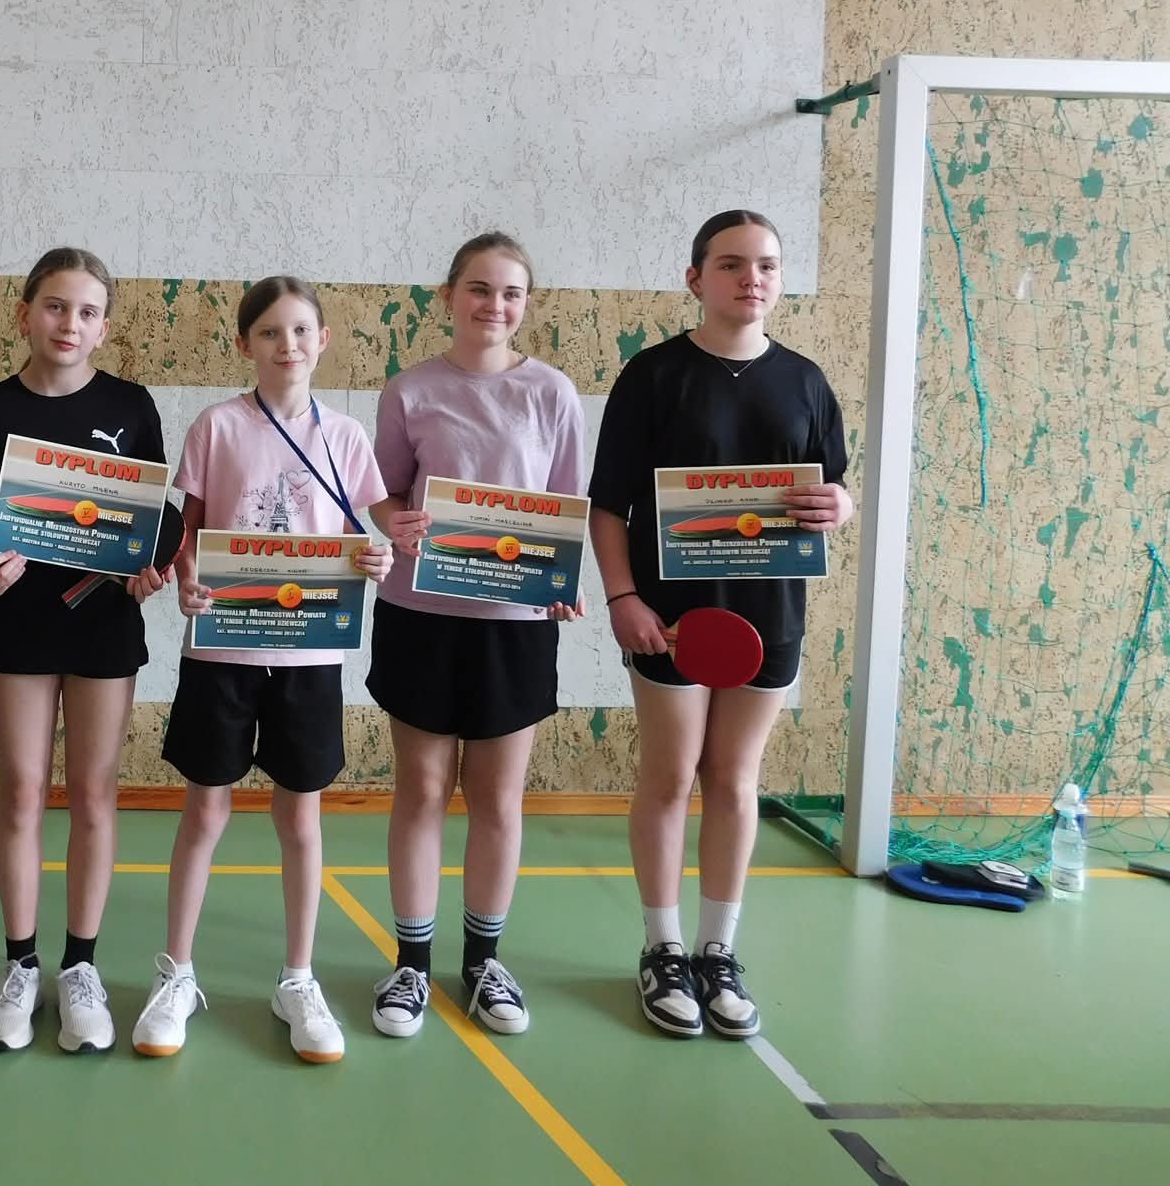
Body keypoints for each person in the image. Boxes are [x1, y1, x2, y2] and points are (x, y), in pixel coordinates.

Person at [588, 210, 853, 1040]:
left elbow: (834, 486)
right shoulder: (654, 375)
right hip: (669, 619)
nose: (752, 278)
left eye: (766, 265)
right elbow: (608, 507)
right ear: (696, 278)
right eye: (732, 264)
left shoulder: (806, 380)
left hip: (770, 617)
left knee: (735, 782)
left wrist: (840, 506)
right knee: (669, 777)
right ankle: (662, 948)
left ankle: (717, 952)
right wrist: (624, 599)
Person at [131, 276, 392, 1065]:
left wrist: (377, 558)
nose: (288, 344)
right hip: (223, 650)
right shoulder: (217, 426)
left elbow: (366, 534)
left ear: (324, 340)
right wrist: (185, 579)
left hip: (309, 656)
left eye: (302, 330)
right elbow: (190, 531)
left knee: (300, 820)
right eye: (271, 332)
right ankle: (177, 975)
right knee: (204, 812)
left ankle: (297, 979)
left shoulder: (345, 435)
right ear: (244, 342)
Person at [366, 232, 585, 1040]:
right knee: (422, 791)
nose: (496, 305)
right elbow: (382, 495)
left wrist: (563, 581)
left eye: (511, 293)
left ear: (526, 304)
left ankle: (485, 961)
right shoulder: (409, 390)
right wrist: (397, 521)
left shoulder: (552, 393)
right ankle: (411, 965)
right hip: (420, 619)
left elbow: (565, 506)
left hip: (514, 628)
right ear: (449, 296)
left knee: (497, 797)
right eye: (480, 289)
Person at [0, 247, 169, 1055]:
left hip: (104, 624)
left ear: (103, 328)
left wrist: (150, 568)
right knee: (19, 792)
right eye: (53, 306)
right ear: (24, 314)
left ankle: (81, 967)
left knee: (93, 794)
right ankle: (20, 966)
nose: (68, 323)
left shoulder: (131, 405)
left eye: (85, 312)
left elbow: (155, 514)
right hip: (21, 623)